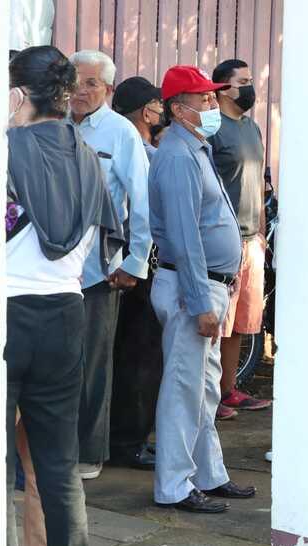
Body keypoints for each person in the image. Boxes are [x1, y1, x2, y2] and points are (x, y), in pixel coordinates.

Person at [5, 45, 124, 546]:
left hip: (9, 312)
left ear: (17, 95)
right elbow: (107, 243)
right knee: (58, 466)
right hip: (67, 312)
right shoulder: (88, 156)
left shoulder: (7, 150)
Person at [149, 65, 255, 513]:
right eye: (205, 99)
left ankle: (208, 473)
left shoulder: (195, 148)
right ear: (179, 109)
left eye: (213, 98)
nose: (214, 105)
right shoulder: (177, 155)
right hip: (192, 287)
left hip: (209, 285)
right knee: (183, 388)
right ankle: (174, 486)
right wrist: (199, 302)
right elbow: (185, 236)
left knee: (205, 387)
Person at [68, 49, 153, 481]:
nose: (80, 92)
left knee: (93, 365)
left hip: (98, 270)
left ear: (108, 89)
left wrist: (136, 261)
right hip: (50, 269)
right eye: (75, 82)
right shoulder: (54, 124)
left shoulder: (120, 133)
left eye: (91, 84)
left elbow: (143, 200)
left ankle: (88, 453)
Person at [106, 76, 167, 470]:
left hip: (127, 260)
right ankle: (129, 441)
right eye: (159, 106)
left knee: (130, 354)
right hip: (138, 264)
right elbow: (145, 213)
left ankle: (127, 438)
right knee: (140, 356)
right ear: (147, 112)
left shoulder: (121, 142)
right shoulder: (145, 152)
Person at [209, 59, 272, 420]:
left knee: (241, 322)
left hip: (251, 239)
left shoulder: (252, 127)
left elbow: (259, 180)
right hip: (223, 239)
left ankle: (227, 390)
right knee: (217, 322)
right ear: (222, 88)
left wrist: (260, 229)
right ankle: (208, 396)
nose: (250, 87)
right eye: (243, 81)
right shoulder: (212, 127)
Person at [112, 76, 165, 160]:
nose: (163, 110)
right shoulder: (156, 157)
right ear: (146, 115)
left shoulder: (113, 147)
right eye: (159, 105)